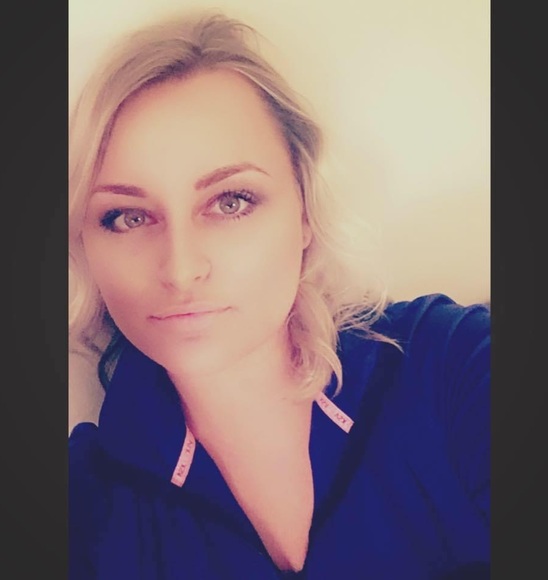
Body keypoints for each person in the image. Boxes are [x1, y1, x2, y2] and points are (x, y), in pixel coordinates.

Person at [68, 10, 490, 579]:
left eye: (230, 202)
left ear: (305, 210)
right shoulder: (87, 506)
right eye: (127, 216)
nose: (181, 269)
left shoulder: (451, 365)